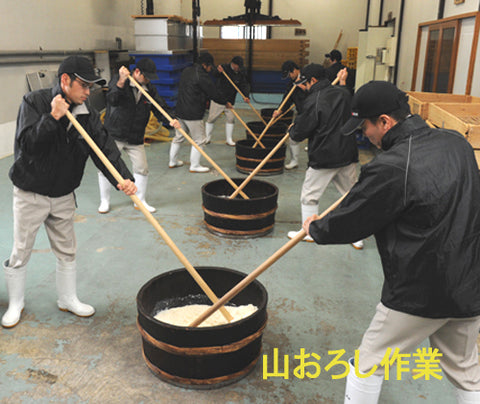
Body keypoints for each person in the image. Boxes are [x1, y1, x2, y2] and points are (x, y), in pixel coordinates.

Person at [303, 81, 480, 403]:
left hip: (421, 289)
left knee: (367, 364)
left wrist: (317, 229)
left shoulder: (392, 166)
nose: (364, 135)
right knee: (466, 370)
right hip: (470, 282)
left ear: (385, 121)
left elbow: (353, 220)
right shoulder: (456, 142)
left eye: (366, 127)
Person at [2, 55, 137, 328]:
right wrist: (52, 117)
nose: (88, 93)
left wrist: (123, 178)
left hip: (63, 193)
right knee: (21, 251)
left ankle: (68, 298)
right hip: (31, 192)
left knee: (67, 250)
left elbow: (104, 147)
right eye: (84, 86)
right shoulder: (35, 102)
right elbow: (27, 145)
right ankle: (16, 303)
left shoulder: (85, 112)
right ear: (65, 81)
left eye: (90, 87)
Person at [286, 64, 363, 250]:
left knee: (309, 197)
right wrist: (343, 83)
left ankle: (308, 232)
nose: (303, 87)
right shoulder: (344, 93)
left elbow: (300, 132)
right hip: (347, 154)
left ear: (313, 81)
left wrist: (292, 130)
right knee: (351, 195)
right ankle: (357, 237)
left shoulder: (314, 100)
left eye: (305, 83)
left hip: (324, 157)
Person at [98, 58, 180, 214]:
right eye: (146, 76)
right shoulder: (119, 80)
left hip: (135, 135)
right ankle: (105, 201)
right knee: (106, 167)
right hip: (115, 133)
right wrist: (121, 82)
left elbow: (159, 106)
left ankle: (140, 201)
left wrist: (171, 119)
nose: (148, 80)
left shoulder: (148, 88)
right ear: (137, 72)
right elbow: (112, 99)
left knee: (142, 168)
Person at [169, 52, 222, 173]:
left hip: (180, 110)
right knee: (199, 140)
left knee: (178, 137)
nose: (210, 69)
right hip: (193, 113)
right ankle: (195, 165)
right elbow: (213, 93)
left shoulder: (187, 70)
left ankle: (172, 161)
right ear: (204, 65)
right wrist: (225, 102)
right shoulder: (202, 75)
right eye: (209, 66)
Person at [205, 56, 250, 146]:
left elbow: (244, 84)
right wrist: (218, 71)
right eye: (237, 66)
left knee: (231, 119)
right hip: (218, 99)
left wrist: (246, 95)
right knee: (211, 119)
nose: (238, 68)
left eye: (240, 66)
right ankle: (207, 138)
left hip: (230, 100)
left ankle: (229, 140)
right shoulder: (223, 68)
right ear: (233, 64)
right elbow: (214, 73)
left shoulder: (241, 71)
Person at [272, 60, 307, 169]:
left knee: (316, 139)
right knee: (293, 136)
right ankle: (294, 161)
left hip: (315, 112)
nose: (290, 77)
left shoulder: (308, 76)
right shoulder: (291, 84)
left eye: (290, 74)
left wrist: (303, 87)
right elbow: (286, 100)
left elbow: (318, 92)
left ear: (295, 70)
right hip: (301, 114)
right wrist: (279, 110)